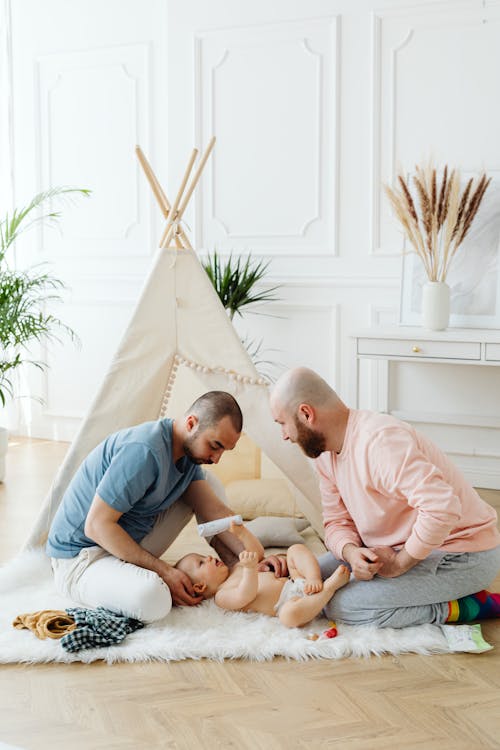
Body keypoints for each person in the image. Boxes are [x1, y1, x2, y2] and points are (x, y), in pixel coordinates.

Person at [269, 367, 500, 628]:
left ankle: (467, 605)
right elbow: (336, 522)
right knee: (312, 579)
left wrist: (400, 564)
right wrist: (352, 551)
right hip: (395, 548)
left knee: (339, 605)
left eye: (282, 424)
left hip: (460, 554)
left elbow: (442, 508)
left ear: (306, 414)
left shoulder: (380, 443)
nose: (284, 435)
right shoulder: (325, 455)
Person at [47, 391, 286, 623]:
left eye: (224, 450)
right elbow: (96, 526)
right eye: (215, 445)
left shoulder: (186, 455)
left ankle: (234, 564)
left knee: (207, 484)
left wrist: (253, 560)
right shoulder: (143, 451)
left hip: (122, 545)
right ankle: (126, 583)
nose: (216, 458)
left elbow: (216, 512)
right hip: (81, 559)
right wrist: (165, 572)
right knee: (155, 600)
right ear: (191, 423)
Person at [175, 521, 351, 627]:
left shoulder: (237, 567)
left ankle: (315, 578)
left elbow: (257, 552)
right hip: (290, 602)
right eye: (201, 562)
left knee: (295, 550)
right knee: (288, 617)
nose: (209, 558)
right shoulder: (222, 597)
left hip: (296, 581)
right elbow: (246, 594)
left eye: (206, 556)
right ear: (200, 586)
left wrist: (243, 534)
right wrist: (250, 569)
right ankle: (329, 588)